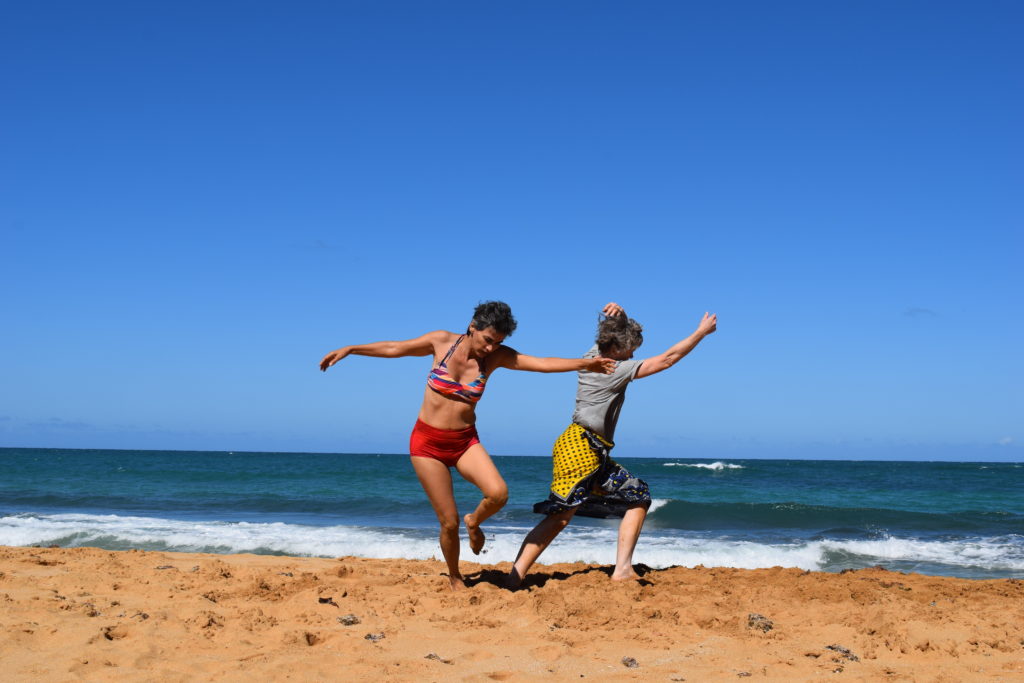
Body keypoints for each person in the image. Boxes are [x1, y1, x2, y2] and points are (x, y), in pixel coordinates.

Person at [319, 301, 615, 591]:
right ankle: (454, 575)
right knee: (448, 522)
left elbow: (540, 364)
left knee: (498, 494)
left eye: (497, 343)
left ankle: (474, 521)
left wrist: (587, 363)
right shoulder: (441, 342)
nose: (490, 348)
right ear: (472, 327)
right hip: (427, 443)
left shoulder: (495, 357)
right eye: (487, 340)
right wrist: (352, 349)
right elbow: (396, 348)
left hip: (464, 441)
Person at [507, 302, 717, 586]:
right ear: (617, 350)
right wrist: (700, 333)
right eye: (631, 350)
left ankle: (622, 569)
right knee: (560, 516)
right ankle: (514, 576)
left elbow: (610, 337)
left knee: (637, 495)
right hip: (579, 449)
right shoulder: (613, 369)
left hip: (591, 448)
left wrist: (620, 318)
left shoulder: (592, 355)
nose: (634, 355)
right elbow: (667, 359)